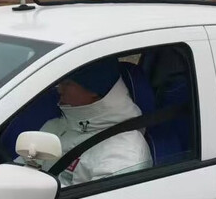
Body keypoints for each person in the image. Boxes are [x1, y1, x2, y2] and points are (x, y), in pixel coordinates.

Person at [39, 57, 152, 186]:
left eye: (68, 83)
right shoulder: (58, 125)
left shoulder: (125, 154)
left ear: (93, 89)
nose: (59, 89)